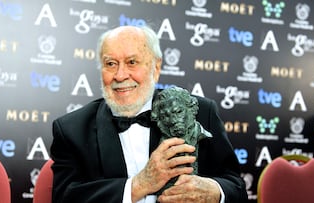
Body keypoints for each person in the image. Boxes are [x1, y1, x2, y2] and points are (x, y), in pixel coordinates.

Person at [50, 25, 248, 203]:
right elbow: (65, 197)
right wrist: (138, 185)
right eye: (110, 64)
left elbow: (236, 188)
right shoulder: (71, 130)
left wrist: (215, 192)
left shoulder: (198, 113)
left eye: (132, 62)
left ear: (156, 68)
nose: (120, 75)